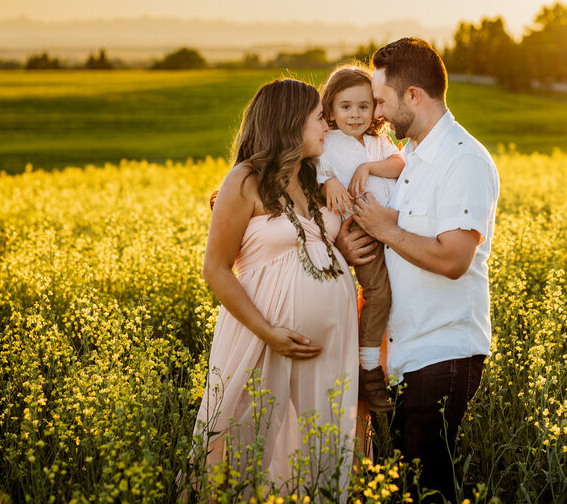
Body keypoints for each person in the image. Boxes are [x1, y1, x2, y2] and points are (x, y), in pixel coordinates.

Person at [336, 38, 500, 500]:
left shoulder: (461, 160)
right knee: (416, 487)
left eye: (383, 100)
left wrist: (386, 229)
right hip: (411, 355)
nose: (377, 113)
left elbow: (453, 259)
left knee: (430, 490)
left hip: (443, 352)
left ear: (414, 96)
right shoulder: (410, 159)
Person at [193, 78, 359, 491]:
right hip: (262, 339)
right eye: (319, 119)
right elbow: (215, 269)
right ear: (289, 124)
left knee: (321, 456)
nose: (327, 127)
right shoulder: (245, 181)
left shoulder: (313, 178)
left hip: (330, 351)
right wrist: (269, 332)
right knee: (245, 451)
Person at [316, 65, 404, 413]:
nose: (355, 114)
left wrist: (367, 168)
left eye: (364, 106)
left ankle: (382, 363)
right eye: (346, 106)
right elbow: (316, 168)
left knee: (393, 293)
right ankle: (368, 370)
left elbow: (399, 165)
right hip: (358, 229)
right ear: (331, 111)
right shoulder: (328, 143)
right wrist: (329, 182)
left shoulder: (378, 143)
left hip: (391, 225)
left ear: (375, 110)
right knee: (379, 293)